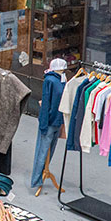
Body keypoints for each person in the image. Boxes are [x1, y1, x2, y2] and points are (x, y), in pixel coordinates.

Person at [31, 58, 67, 188]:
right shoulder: (50, 80)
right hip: (50, 121)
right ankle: (36, 181)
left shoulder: (63, 78)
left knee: (49, 150)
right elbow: (46, 102)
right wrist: (44, 123)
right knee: (42, 151)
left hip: (58, 121)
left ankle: (44, 173)